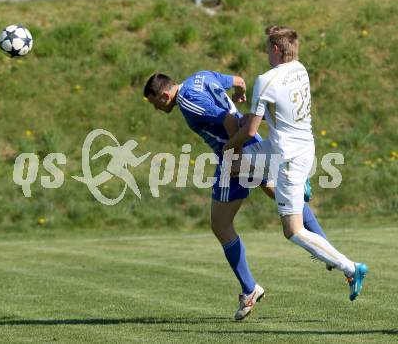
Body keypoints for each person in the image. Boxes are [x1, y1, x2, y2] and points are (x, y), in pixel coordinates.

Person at [143, 69, 332, 319]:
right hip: (250, 146)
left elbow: (229, 122)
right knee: (285, 199)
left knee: (221, 226)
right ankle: (325, 248)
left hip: (235, 154)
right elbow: (239, 82)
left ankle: (250, 288)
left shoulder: (187, 100)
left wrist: (236, 157)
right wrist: (240, 94)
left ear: (166, 95)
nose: (156, 109)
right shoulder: (202, 76)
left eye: (155, 102)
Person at [223, 25, 367, 302]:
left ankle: (352, 268)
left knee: (292, 230)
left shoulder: (266, 80)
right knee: (235, 166)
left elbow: (251, 131)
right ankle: (300, 184)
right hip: (296, 147)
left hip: (286, 157)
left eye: (267, 47)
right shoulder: (300, 69)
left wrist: (230, 143)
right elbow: (277, 111)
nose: (265, 52)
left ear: (276, 49)